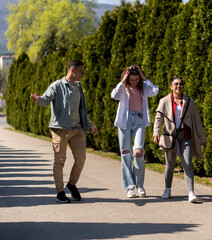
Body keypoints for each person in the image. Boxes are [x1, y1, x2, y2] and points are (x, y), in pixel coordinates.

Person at [30, 60, 99, 203]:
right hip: (60, 130)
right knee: (59, 162)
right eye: (81, 71)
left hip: (77, 130)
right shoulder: (56, 86)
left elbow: (82, 110)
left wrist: (90, 124)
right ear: (72, 70)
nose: (83, 74)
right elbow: (45, 100)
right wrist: (38, 99)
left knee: (81, 159)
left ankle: (72, 184)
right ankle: (60, 192)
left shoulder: (78, 87)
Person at [153, 76, 206, 203]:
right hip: (171, 137)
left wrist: (202, 138)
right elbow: (158, 118)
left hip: (186, 136)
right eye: (176, 84)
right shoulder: (164, 101)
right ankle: (167, 189)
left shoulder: (189, 102)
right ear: (171, 86)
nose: (179, 86)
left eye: (181, 84)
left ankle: (191, 193)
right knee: (170, 165)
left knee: (187, 163)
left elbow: (197, 121)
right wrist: (156, 132)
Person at [111, 65, 159, 198]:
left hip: (139, 120)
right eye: (132, 80)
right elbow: (113, 95)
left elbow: (155, 91)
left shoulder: (143, 87)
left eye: (136, 79)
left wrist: (144, 78)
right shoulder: (123, 88)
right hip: (124, 122)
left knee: (138, 152)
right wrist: (122, 80)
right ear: (127, 78)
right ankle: (130, 188)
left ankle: (140, 185)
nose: (134, 82)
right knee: (126, 153)